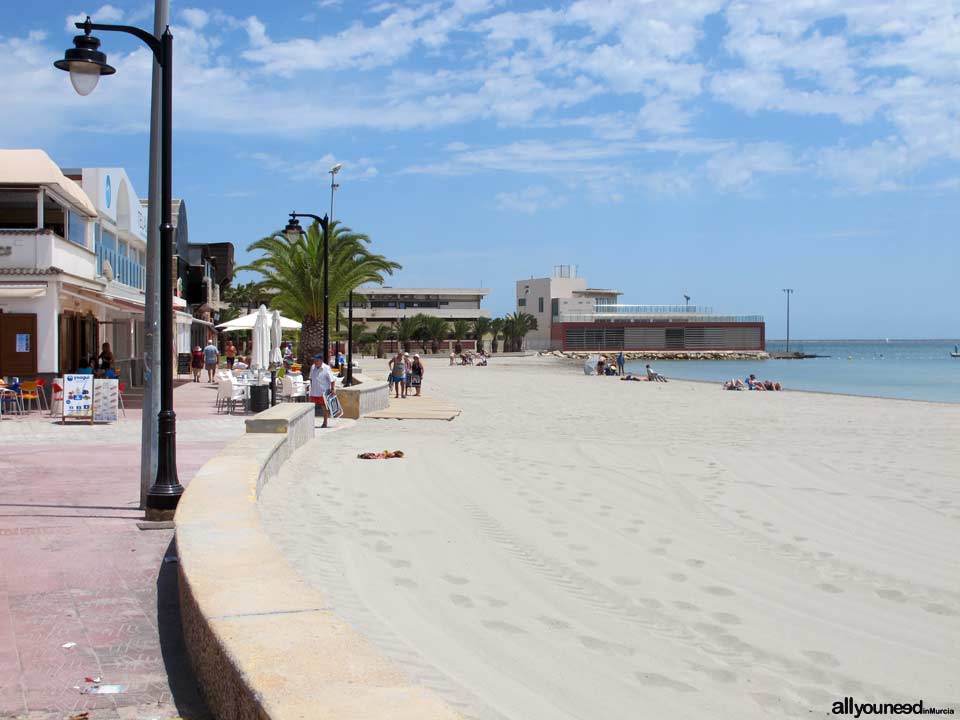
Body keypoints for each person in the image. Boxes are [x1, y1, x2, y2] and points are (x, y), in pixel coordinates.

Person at [308, 353, 337, 428]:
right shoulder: (313, 367)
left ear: (321, 361)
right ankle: (310, 422)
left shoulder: (326, 368)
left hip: (323, 392)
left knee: (324, 407)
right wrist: (311, 388)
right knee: (311, 407)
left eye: (316, 360)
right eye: (314, 360)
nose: (315, 362)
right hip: (314, 391)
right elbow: (311, 378)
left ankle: (325, 422)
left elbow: (332, 380)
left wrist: (332, 389)